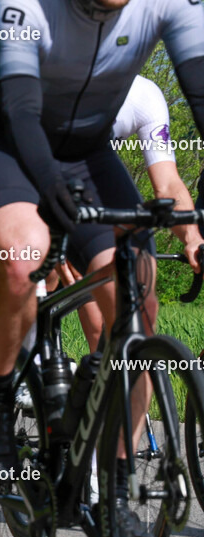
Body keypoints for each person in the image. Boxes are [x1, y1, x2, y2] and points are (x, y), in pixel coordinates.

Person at [0, 0, 204, 537]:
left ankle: (116, 490)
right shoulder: (26, 6)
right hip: (6, 145)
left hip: (86, 155)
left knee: (136, 290)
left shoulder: (175, 6)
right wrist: (58, 205)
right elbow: (21, 112)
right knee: (24, 256)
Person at [58, 74, 202, 352]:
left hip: (89, 174)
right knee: (42, 267)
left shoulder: (144, 95)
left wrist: (192, 237)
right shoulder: (58, 79)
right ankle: (24, 363)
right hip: (37, 165)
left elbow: (168, 184)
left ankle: (108, 373)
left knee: (131, 285)